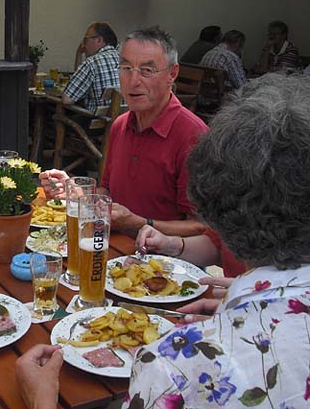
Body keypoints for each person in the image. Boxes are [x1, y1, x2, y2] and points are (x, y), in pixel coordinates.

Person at [19, 73, 310, 409]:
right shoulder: (122, 126)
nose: (134, 79)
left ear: (217, 206)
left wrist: (40, 401)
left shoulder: (175, 364)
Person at [42, 26, 208, 237]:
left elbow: (202, 230)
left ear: (172, 74)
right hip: (114, 249)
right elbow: (108, 193)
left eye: (147, 70)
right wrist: (78, 193)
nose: (133, 80)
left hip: (166, 262)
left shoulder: (193, 135)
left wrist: (139, 224)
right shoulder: (121, 125)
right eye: (126, 68)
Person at [62, 22, 120, 112]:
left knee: (57, 116)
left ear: (99, 40)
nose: (83, 45)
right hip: (124, 122)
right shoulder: (125, 59)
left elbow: (67, 99)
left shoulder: (92, 62)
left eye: (85, 40)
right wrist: (79, 54)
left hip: (99, 123)